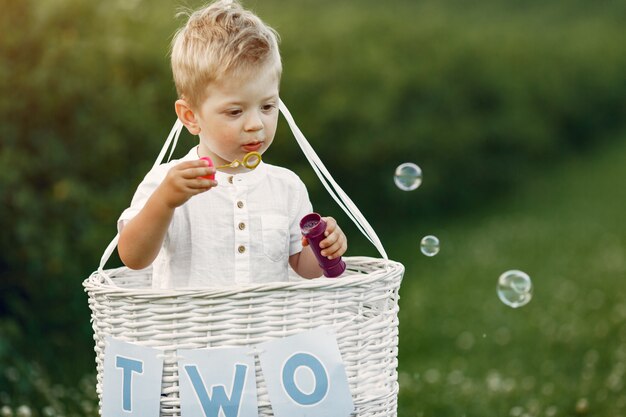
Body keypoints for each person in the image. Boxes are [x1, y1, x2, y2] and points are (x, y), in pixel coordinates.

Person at [117, 0, 347, 288]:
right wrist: (164, 202)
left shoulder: (286, 187)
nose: (255, 124)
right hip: (190, 332)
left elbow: (303, 268)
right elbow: (133, 257)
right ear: (191, 117)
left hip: (268, 332)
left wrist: (324, 247)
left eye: (267, 106)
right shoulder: (170, 182)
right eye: (235, 112)